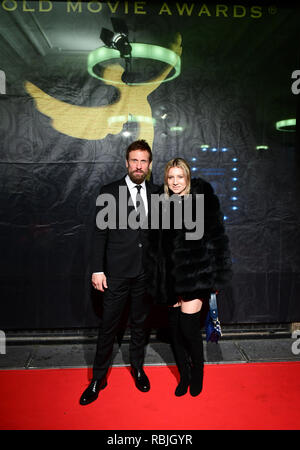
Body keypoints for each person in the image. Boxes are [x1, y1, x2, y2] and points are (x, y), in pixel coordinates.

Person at [80, 139, 157, 406]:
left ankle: (137, 368)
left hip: (145, 274)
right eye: (134, 160)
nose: (138, 165)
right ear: (126, 162)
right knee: (108, 327)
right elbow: (99, 234)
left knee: (140, 325)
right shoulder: (109, 191)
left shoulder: (158, 192)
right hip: (115, 273)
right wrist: (98, 269)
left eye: (143, 161)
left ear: (149, 164)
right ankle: (98, 378)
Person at [149, 158, 232, 397]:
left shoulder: (202, 201)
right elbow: (155, 246)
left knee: (188, 328)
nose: (175, 182)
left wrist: (216, 277)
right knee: (174, 330)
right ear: (167, 179)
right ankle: (184, 375)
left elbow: (217, 240)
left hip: (195, 275)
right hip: (170, 278)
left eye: (180, 177)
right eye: (171, 177)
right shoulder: (161, 204)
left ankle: (198, 375)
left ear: (187, 177)